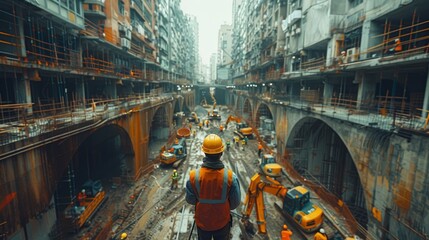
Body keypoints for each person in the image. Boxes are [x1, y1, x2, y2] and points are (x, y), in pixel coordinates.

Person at [185, 134, 241, 240]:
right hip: (222, 223)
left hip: (202, 223)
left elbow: (190, 200)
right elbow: (234, 204)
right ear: (221, 153)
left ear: (204, 152)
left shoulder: (193, 176)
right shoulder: (230, 177)